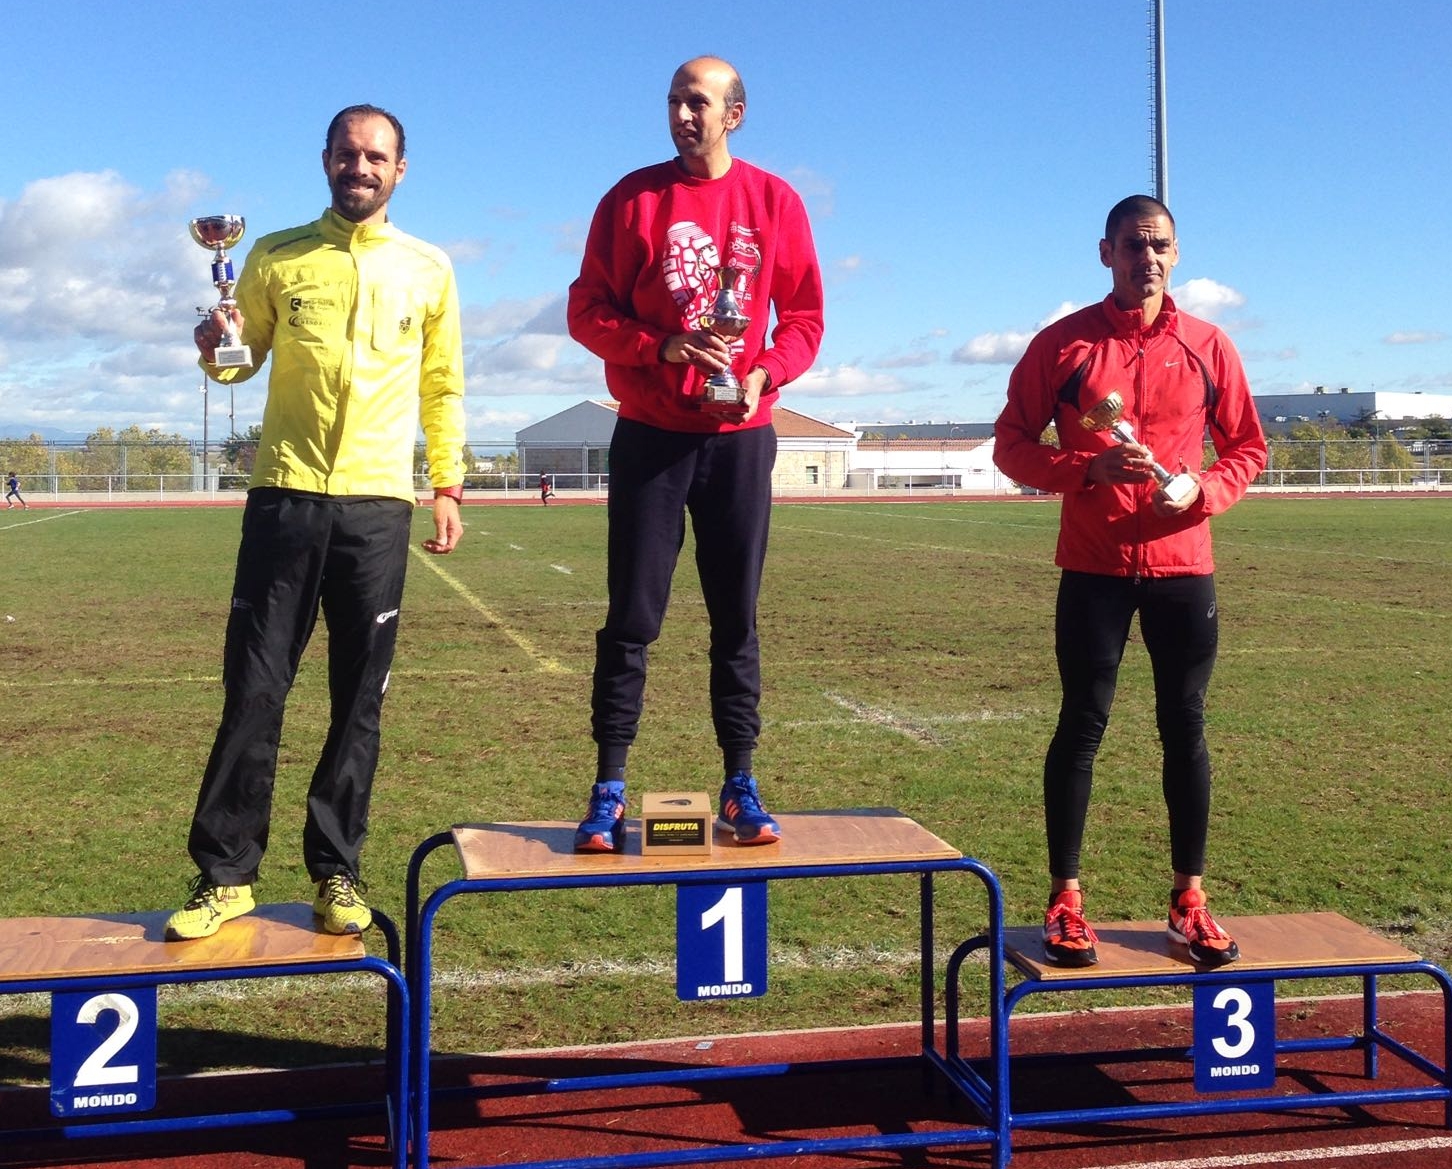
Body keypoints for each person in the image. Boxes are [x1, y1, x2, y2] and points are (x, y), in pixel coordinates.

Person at [165, 104, 466, 941]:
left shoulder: (429, 268)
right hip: (285, 498)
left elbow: (443, 387)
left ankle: (337, 869)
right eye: (347, 153)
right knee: (254, 690)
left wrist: (447, 484)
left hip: (377, 507)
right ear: (325, 161)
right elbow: (239, 363)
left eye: (376, 156)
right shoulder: (273, 255)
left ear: (400, 169)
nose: (359, 167)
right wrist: (212, 344)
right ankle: (225, 874)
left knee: (356, 701)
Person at [993, 194, 1267, 969]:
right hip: (1095, 567)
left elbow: (1247, 446)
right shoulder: (1064, 345)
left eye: (1161, 245)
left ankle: (1188, 899)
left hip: (1184, 566)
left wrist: (1204, 491)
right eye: (1134, 244)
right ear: (1105, 251)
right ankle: (1066, 899)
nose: (1148, 257)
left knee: (1185, 727)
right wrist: (1084, 467)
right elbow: (1011, 445)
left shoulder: (1210, 344)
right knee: (1082, 723)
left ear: (1176, 255)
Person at [566, 56, 824, 852]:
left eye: (699, 102)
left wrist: (763, 374)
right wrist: (662, 346)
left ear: (734, 114)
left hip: (740, 440)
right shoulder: (629, 199)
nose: (683, 114)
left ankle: (741, 782)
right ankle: (609, 785)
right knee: (632, 618)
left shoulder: (775, 201)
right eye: (674, 100)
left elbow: (806, 318)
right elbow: (585, 310)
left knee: (734, 619)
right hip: (650, 435)